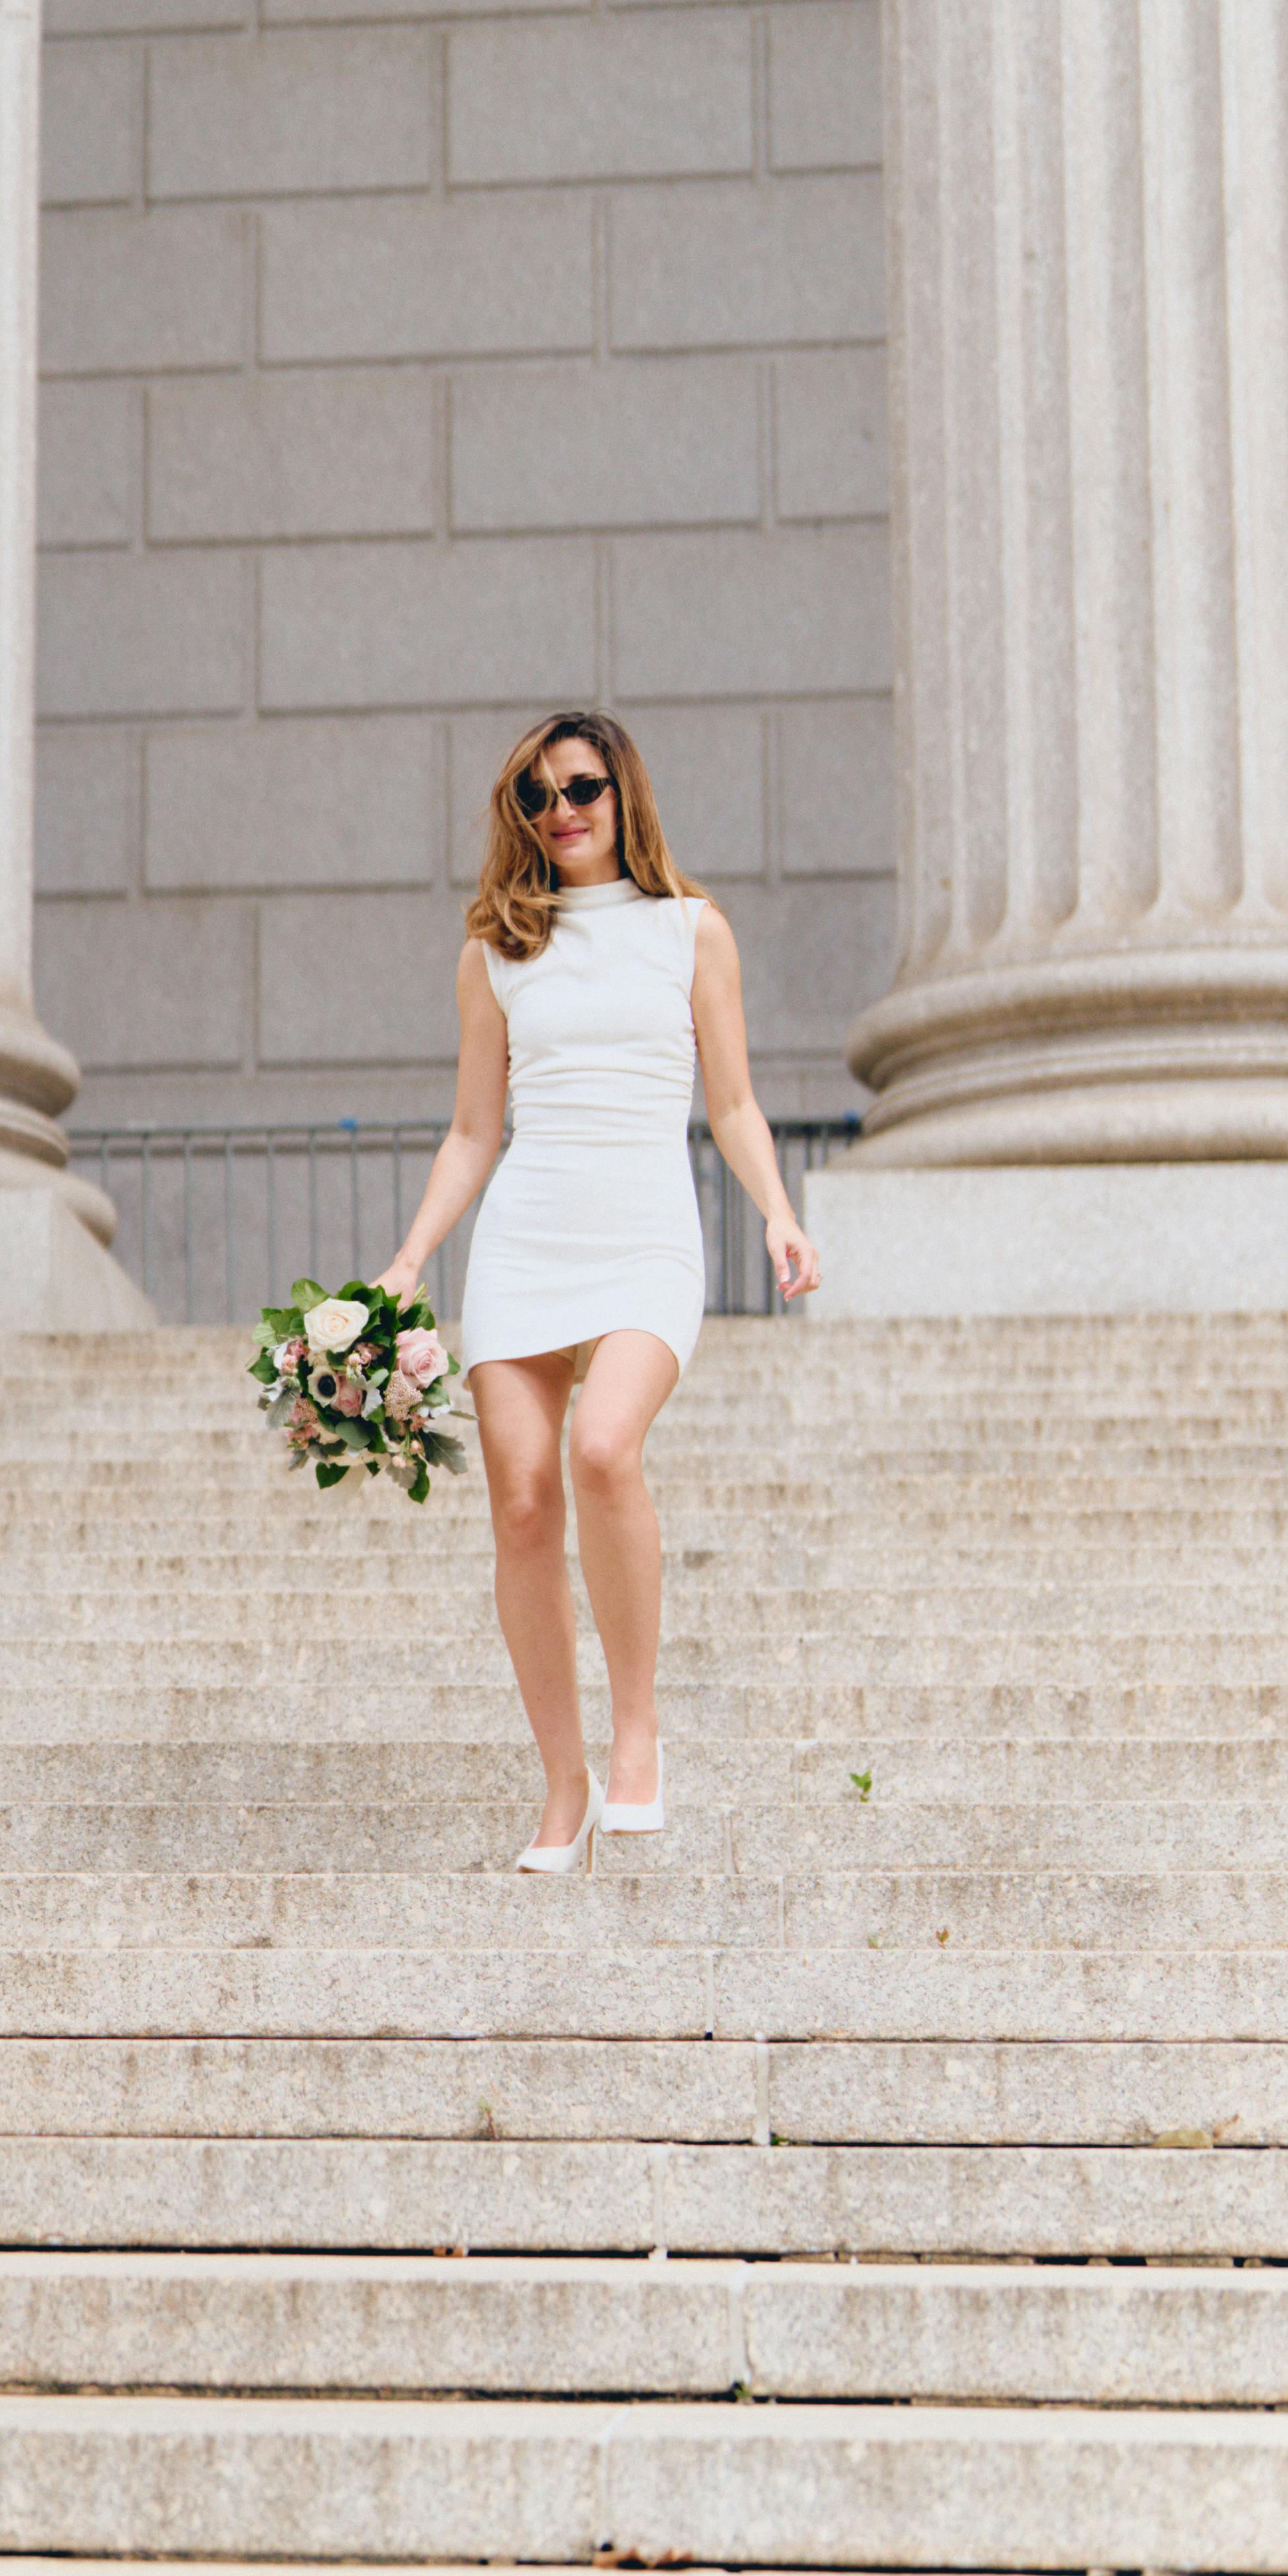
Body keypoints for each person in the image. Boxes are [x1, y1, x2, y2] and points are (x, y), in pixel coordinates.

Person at [379, 708, 817, 1876]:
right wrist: (412, 1255)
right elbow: (475, 1131)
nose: (559, 809)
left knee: (604, 1448)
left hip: (642, 1234)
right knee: (521, 1500)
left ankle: (637, 1735)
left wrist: (776, 1208)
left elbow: (729, 1102)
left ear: (621, 791)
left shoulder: (690, 931)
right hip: (527, 1235)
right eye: (533, 796)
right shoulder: (492, 951)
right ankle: (562, 1784)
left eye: (579, 786)